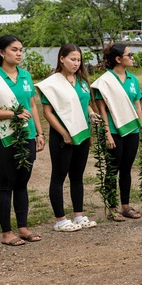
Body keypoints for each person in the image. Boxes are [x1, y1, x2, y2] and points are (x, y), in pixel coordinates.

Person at [0, 35, 47, 246]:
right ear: (1, 52)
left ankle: (23, 228)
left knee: (22, 183)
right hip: (2, 138)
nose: (19, 54)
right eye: (14, 50)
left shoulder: (25, 75)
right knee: (6, 185)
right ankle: (7, 233)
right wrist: (11, 114)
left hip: (27, 136)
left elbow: (32, 105)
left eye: (21, 50)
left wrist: (40, 133)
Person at [38, 44, 98, 232]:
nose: (76, 63)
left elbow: (85, 103)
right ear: (62, 59)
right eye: (72, 59)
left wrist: (91, 114)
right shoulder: (52, 83)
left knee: (77, 176)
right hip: (62, 137)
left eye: (79, 60)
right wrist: (64, 134)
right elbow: (47, 112)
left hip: (82, 133)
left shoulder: (81, 81)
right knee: (59, 176)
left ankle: (79, 215)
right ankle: (60, 220)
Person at [91, 43, 142, 221]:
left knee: (126, 169)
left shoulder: (133, 80)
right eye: (129, 55)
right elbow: (102, 109)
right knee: (112, 169)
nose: (132, 58)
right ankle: (112, 208)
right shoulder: (105, 81)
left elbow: (137, 106)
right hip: (114, 130)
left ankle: (125, 206)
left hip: (132, 129)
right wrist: (107, 133)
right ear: (118, 59)